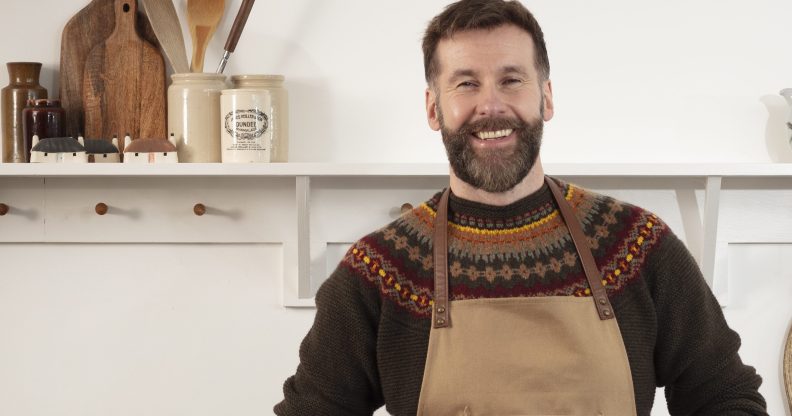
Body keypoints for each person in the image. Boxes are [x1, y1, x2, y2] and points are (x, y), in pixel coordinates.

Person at [275, 0, 768, 414]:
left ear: (546, 98)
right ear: (432, 108)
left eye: (511, 80)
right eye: (466, 83)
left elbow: (728, 398)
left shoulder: (635, 245)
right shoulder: (383, 270)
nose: (491, 105)